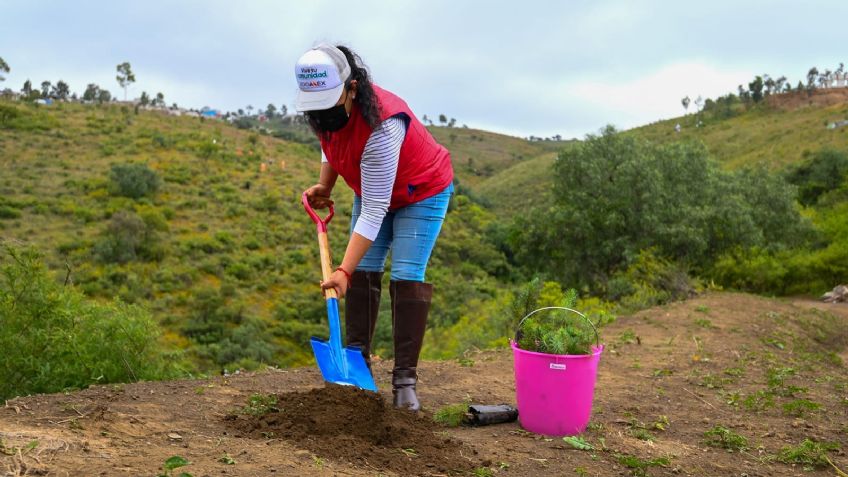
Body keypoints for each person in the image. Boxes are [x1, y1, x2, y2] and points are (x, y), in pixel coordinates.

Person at [296, 43, 454, 411]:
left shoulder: (384, 124)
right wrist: (326, 185)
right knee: (365, 270)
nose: (323, 116)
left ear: (352, 88)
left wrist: (342, 271)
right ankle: (358, 367)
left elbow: (375, 209)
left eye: (330, 105)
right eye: (316, 109)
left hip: (422, 191)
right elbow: (330, 144)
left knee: (406, 273)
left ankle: (404, 382)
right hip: (374, 189)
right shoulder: (325, 112)